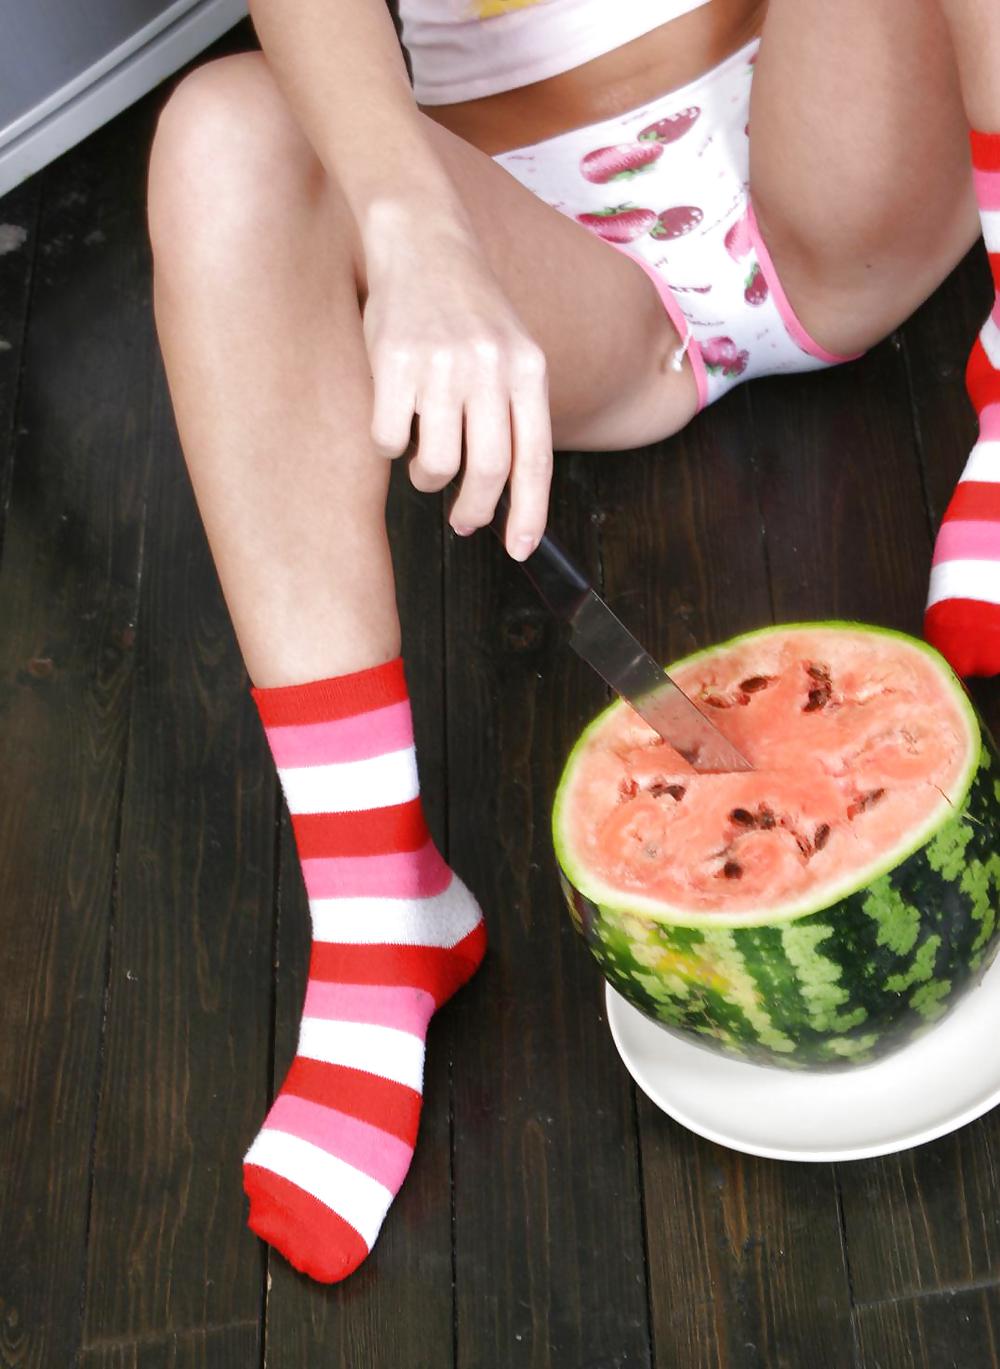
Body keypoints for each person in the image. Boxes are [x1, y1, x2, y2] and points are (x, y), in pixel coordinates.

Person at [145, 0, 1000, 1283]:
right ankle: (385, 918)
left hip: (848, 157)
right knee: (222, 134)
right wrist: (414, 231)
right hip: (551, 270)